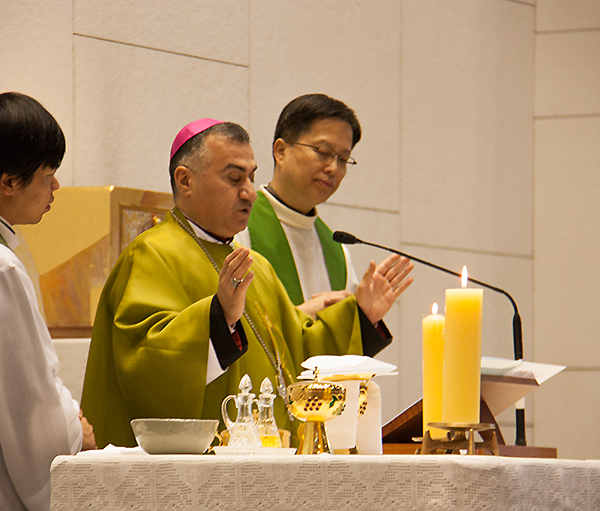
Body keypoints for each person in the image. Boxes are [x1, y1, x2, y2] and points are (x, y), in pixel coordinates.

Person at [81, 118, 414, 449]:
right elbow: (145, 366)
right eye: (234, 178)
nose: (249, 192)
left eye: (252, 177)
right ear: (185, 180)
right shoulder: (152, 255)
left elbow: (299, 352)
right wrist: (218, 318)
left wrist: (360, 316)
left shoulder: (257, 268)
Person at [0, 92, 96, 511]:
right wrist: (74, 429)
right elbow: (29, 398)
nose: (56, 184)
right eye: (48, 172)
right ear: (8, 181)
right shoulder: (3, 270)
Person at [236, 94, 410, 319]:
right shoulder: (239, 227)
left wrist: (366, 320)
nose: (333, 168)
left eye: (343, 159)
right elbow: (227, 332)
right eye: (323, 152)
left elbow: (346, 349)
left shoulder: (337, 250)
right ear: (281, 151)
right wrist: (301, 317)